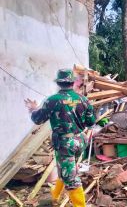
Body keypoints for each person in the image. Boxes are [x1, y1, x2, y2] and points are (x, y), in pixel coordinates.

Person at [24, 69, 95, 207]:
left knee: (71, 177)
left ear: (59, 83)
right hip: (80, 140)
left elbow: (38, 119)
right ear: (72, 82)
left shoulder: (52, 100)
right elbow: (91, 122)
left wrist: (33, 109)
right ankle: (54, 198)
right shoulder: (83, 99)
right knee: (64, 168)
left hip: (64, 143)